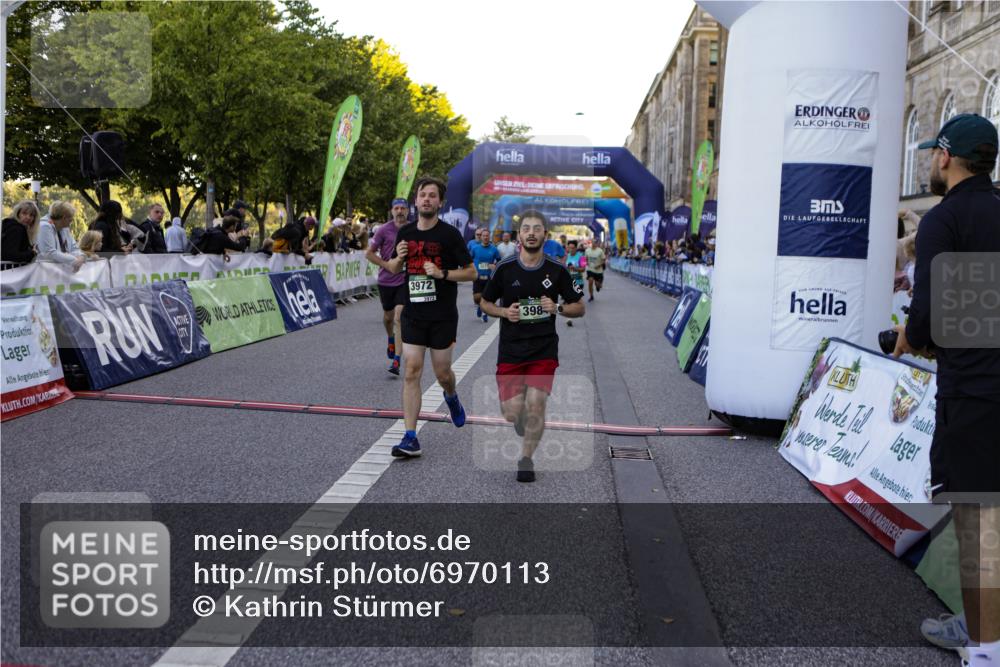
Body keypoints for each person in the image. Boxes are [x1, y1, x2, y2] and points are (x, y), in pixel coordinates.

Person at [892, 113, 1000, 667]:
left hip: (975, 394)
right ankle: (984, 626)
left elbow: (935, 320)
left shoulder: (945, 220)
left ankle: (985, 648)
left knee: (978, 517)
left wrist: (911, 338)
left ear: (944, 157)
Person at [479, 210, 585, 482]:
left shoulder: (558, 269)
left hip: (543, 349)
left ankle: (526, 459)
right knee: (512, 412)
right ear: (519, 235)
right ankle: (519, 418)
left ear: (545, 235)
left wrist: (558, 307)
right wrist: (504, 313)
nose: (531, 233)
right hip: (511, 349)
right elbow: (485, 302)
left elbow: (579, 307)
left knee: (537, 404)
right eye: (526, 228)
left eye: (537, 229)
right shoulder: (505, 267)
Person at [385, 176, 476, 458]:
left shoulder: (450, 235)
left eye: (432, 195)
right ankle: (410, 437)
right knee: (411, 370)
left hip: (443, 315)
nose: (427, 199)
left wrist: (443, 274)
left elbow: (472, 272)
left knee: (442, 374)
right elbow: (392, 269)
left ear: (440, 202)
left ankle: (451, 396)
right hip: (413, 313)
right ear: (416, 201)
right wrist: (399, 259)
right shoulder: (406, 233)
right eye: (423, 195)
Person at [366, 198, 409, 376]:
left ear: (407, 211)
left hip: (405, 280)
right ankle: (390, 338)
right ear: (392, 211)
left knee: (399, 317)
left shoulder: (413, 228)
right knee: (388, 317)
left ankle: (397, 360)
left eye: (403, 208)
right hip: (386, 280)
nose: (400, 211)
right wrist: (387, 265)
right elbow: (368, 253)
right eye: (396, 208)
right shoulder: (384, 229)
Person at [36, 201, 84, 270]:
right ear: (64, 218)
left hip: (61, 272)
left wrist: (81, 256)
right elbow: (49, 253)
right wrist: (74, 260)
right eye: (70, 218)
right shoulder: (44, 226)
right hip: (46, 272)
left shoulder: (64, 228)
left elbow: (74, 247)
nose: (72, 220)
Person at [470, 226, 501, 323]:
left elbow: (499, 261)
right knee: (477, 298)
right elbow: (469, 260)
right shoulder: (475, 248)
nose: (485, 237)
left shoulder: (494, 249)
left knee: (486, 297)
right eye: (484, 236)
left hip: (488, 277)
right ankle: (479, 306)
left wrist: (494, 265)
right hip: (477, 277)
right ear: (481, 237)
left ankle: (484, 313)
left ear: (489, 237)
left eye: (487, 236)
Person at [1, 200, 40, 269]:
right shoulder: (17, 229)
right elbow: (10, 255)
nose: (28, 217)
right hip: (9, 273)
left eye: (31, 215)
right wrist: (32, 253)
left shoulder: (7, 225)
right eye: (24, 213)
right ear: (18, 213)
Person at [564, 240, 586, 327]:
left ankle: (570, 317)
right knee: (569, 300)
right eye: (569, 248)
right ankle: (569, 318)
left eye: (573, 248)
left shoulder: (582, 257)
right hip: (568, 282)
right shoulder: (565, 257)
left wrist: (575, 268)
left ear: (576, 248)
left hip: (578, 282)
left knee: (572, 300)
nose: (571, 250)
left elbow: (583, 269)